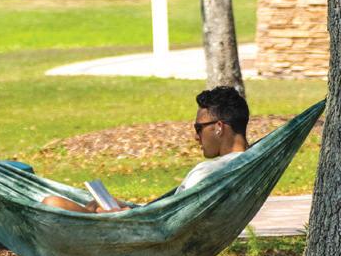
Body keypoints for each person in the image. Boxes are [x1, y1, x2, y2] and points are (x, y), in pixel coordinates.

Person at [41, 86, 250, 213]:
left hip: (147, 232)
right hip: (152, 222)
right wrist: (128, 208)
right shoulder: (246, 164)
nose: (196, 137)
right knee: (92, 204)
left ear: (219, 127)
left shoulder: (209, 172)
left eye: (199, 128)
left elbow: (170, 220)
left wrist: (123, 215)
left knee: (53, 204)